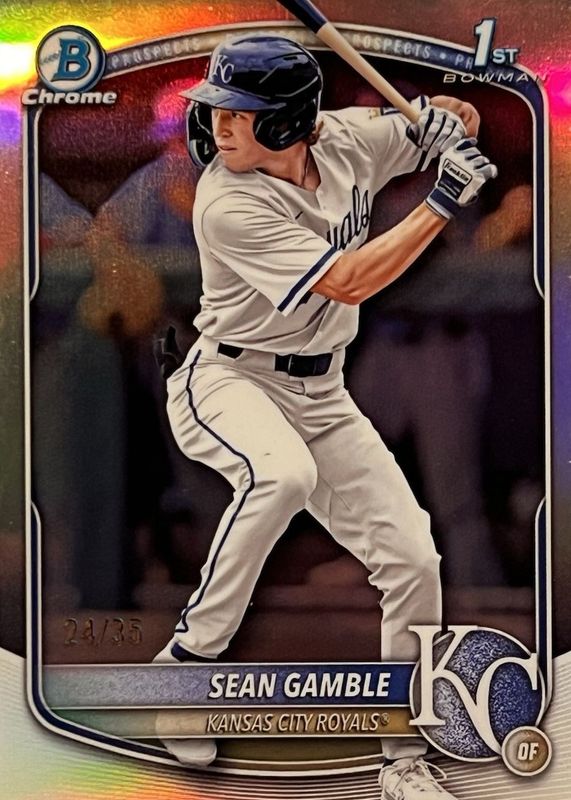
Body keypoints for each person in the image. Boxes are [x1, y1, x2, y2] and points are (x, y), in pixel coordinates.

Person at [153, 34, 497, 799]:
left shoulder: (344, 138)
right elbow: (347, 280)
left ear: (289, 123)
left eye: (239, 112)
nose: (218, 125)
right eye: (216, 110)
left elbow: (454, 118)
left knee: (413, 559)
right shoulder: (227, 200)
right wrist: (441, 200)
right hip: (229, 380)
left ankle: (401, 758)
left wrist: (449, 120)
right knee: (282, 477)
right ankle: (185, 669)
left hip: (323, 392)